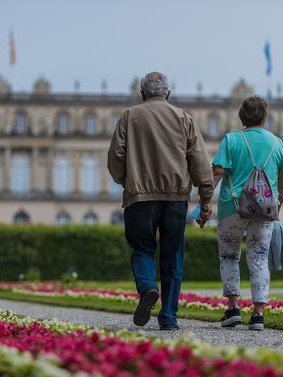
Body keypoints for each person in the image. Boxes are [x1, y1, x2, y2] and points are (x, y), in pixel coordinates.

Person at [108, 72, 214, 330]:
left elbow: (115, 159)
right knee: (172, 254)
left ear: (142, 93)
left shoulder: (130, 116)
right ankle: (168, 316)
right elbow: (199, 161)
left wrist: (129, 181)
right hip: (175, 197)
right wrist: (206, 199)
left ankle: (146, 288)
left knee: (142, 248)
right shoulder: (183, 118)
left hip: (139, 197)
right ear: (168, 94)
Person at [210, 96, 283, 331]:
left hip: (231, 208)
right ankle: (258, 314)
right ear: (264, 117)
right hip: (265, 210)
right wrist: (276, 209)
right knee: (259, 258)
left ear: (241, 117)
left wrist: (204, 201)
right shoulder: (277, 143)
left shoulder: (231, 140)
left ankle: (233, 308)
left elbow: (217, 173)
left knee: (228, 256)